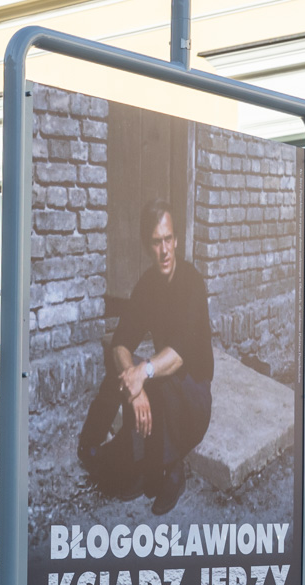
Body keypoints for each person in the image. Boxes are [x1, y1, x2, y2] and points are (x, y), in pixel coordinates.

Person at [81, 200, 214, 512]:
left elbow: (179, 355)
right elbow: (120, 343)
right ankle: (105, 446)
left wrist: (142, 374)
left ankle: (170, 470)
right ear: (147, 245)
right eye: (156, 242)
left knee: (153, 376)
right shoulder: (147, 287)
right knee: (126, 371)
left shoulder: (192, 283)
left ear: (177, 241)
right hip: (162, 384)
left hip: (194, 396)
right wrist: (134, 383)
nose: (164, 250)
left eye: (169, 240)